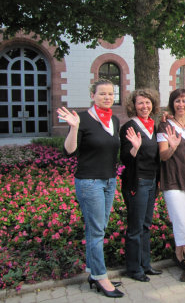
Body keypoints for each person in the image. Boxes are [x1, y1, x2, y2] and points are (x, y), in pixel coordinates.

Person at [56, 79, 124, 298]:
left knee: (98, 228)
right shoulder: (82, 119)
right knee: (96, 230)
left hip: (109, 180)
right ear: (93, 96)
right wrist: (74, 128)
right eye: (102, 94)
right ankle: (100, 276)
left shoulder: (114, 120)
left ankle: (94, 272)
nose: (107, 97)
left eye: (110, 94)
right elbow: (69, 151)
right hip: (89, 182)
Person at [120, 89, 163, 282]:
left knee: (146, 225)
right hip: (137, 182)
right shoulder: (129, 127)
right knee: (135, 227)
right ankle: (133, 268)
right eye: (140, 103)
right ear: (133, 106)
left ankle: (146, 264)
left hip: (152, 181)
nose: (144, 106)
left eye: (147, 103)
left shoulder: (154, 126)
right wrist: (135, 148)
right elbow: (124, 159)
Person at [157, 88, 185, 282]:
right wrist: (172, 147)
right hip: (172, 181)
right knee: (181, 222)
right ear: (172, 103)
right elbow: (162, 156)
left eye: (184, 101)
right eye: (177, 101)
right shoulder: (164, 126)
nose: (181, 104)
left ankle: (178, 254)